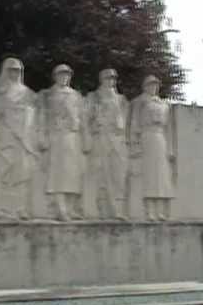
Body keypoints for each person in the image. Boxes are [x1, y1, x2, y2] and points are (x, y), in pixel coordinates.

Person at [0, 58, 38, 219]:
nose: (14, 73)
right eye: (11, 70)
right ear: (5, 71)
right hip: (5, 137)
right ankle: (2, 207)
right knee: (5, 173)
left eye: (17, 70)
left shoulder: (28, 93)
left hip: (23, 139)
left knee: (22, 174)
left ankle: (20, 208)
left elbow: (34, 116)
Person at [38, 64, 89, 221]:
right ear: (55, 76)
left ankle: (71, 207)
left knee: (73, 172)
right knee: (58, 172)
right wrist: (42, 136)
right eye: (61, 75)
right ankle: (60, 208)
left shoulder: (75, 95)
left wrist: (86, 138)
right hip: (57, 135)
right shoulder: (48, 95)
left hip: (73, 137)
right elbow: (42, 117)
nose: (65, 77)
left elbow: (83, 118)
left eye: (67, 75)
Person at [86, 69, 129, 220]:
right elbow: (87, 119)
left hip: (117, 139)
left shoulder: (121, 99)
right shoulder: (94, 97)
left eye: (113, 78)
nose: (111, 81)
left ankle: (118, 209)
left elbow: (126, 123)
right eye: (108, 78)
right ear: (101, 79)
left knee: (119, 175)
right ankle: (103, 209)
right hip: (101, 138)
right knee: (102, 175)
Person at [131, 75, 175, 221]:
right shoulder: (139, 102)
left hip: (160, 139)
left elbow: (169, 128)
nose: (153, 87)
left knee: (162, 177)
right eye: (150, 85)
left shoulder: (164, 104)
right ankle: (149, 210)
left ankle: (160, 210)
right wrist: (135, 144)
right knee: (150, 176)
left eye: (155, 85)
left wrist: (170, 149)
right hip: (147, 137)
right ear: (145, 86)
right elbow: (134, 124)